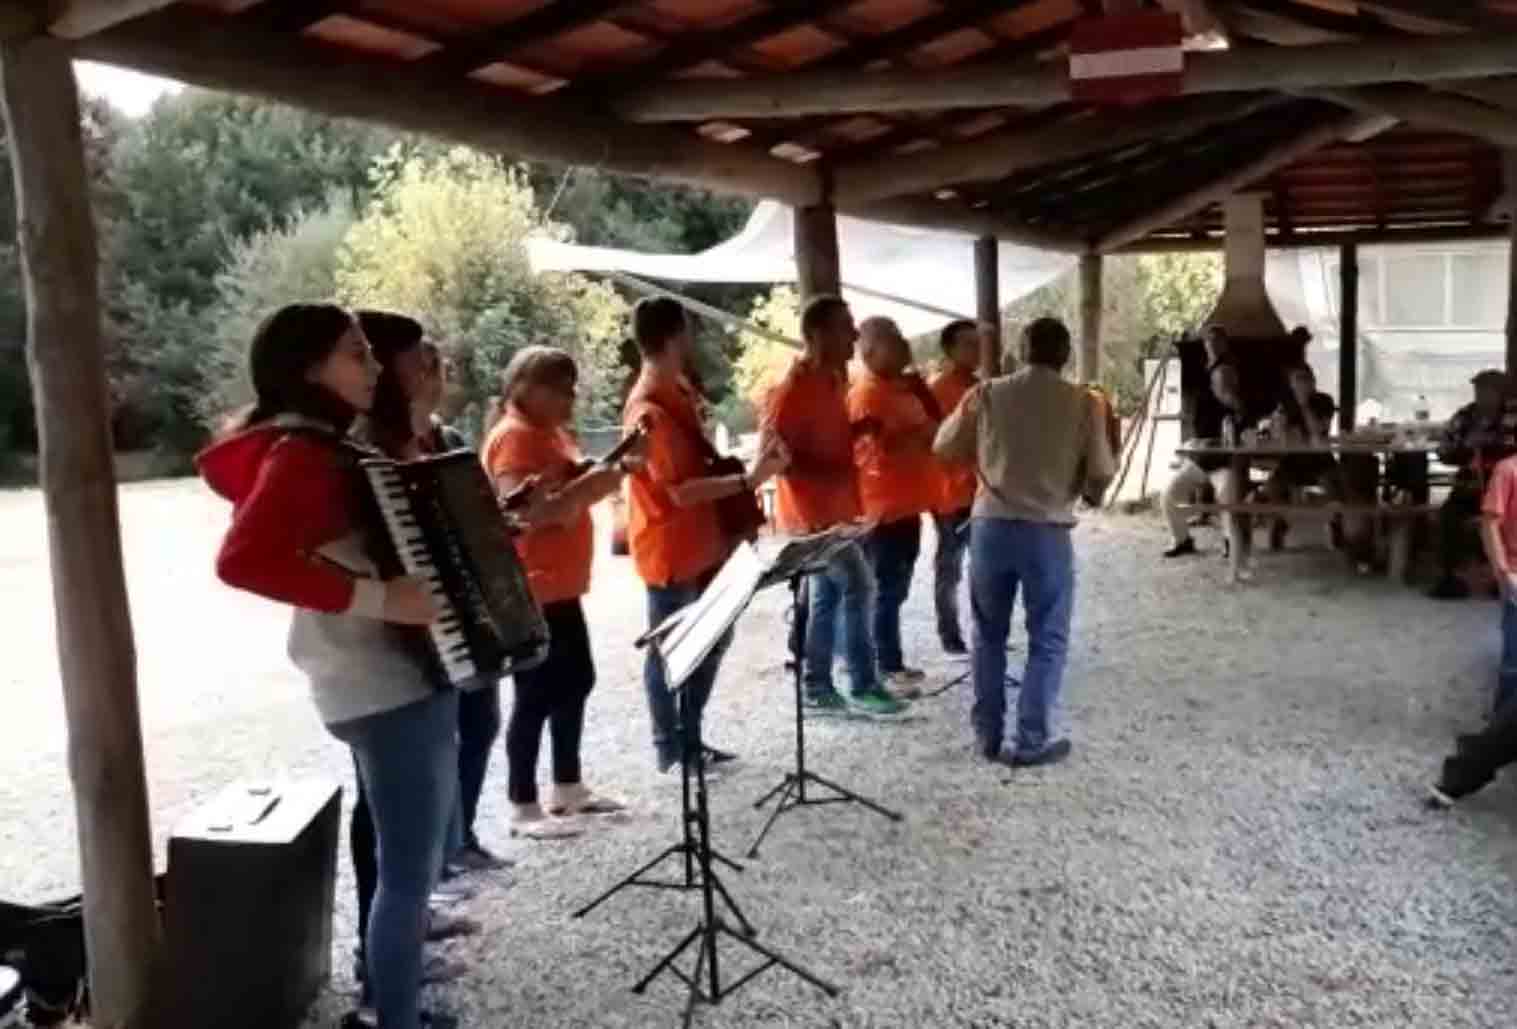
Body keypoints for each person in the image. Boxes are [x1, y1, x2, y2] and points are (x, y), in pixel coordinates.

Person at [197, 303, 454, 1029]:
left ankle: (392, 1003)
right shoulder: (303, 451)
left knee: (405, 866)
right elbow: (242, 560)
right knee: (408, 875)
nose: (374, 369)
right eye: (355, 355)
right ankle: (394, 1017)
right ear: (309, 368)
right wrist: (380, 596)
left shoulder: (325, 446)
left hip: (382, 680)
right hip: (382, 683)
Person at [934, 316, 1115, 768]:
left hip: (990, 525)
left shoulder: (987, 393)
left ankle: (988, 734)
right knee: (1047, 637)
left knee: (988, 633)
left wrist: (989, 455)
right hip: (1046, 530)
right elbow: (1101, 471)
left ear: (1021, 348)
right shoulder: (1083, 402)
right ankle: (1031, 739)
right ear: (1066, 353)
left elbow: (944, 445)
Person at [623, 297, 788, 774]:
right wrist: (748, 481)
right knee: (672, 648)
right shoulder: (648, 406)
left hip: (704, 543)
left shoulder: (675, 390)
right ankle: (671, 748)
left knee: (713, 639)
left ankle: (689, 736)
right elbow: (677, 491)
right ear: (679, 336)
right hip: (671, 547)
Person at [481, 346, 638, 835]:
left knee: (576, 680)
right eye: (563, 389)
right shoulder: (513, 438)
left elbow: (559, 485)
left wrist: (587, 473)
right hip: (534, 586)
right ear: (529, 388)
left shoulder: (550, 433)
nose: (572, 398)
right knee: (536, 693)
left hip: (562, 586)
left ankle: (567, 785)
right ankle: (523, 804)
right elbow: (525, 514)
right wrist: (594, 486)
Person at [761, 295, 906, 719]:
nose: (855, 336)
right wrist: (827, 469)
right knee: (861, 585)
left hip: (838, 509)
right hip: (813, 517)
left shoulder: (832, 382)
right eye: (846, 328)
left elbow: (828, 436)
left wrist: (856, 430)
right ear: (819, 335)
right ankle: (861, 684)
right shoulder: (791, 392)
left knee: (826, 598)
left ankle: (818, 685)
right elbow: (779, 459)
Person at [847, 316, 940, 698]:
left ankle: (891, 660)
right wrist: (919, 435)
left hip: (908, 506)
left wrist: (923, 399)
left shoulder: (901, 389)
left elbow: (937, 425)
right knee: (883, 590)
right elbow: (873, 452)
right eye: (893, 341)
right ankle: (884, 666)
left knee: (896, 590)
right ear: (869, 351)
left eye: (903, 338)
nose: (904, 347)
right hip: (881, 509)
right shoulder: (866, 395)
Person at [1428, 448, 1517, 806]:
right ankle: (1474, 758)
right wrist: (1502, 571)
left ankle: (1475, 756)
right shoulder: (1509, 471)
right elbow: (1491, 522)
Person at [1429, 370, 1517, 599]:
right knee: (1448, 516)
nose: (1482, 396)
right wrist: (1465, 452)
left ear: (1501, 393)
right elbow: (1443, 449)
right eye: (1479, 390)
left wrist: (1493, 449)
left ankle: (1505, 576)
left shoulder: (1513, 414)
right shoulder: (1466, 416)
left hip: (1507, 487)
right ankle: (1450, 577)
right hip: (1470, 485)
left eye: (1488, 391)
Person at [928, 319, 984, 656]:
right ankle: (950, 636)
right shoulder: (936, 391)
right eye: (968, 344)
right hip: (949, 494)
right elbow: (935, 443)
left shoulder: (982, 387)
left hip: (981, 492)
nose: (976, 351)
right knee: (949, 567)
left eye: (979, 344)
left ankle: (986, 633)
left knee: (985, 567)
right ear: (949, 350)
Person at [1161, 360, 1248, 561]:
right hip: (1202, 461)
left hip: (1226, 464)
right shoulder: (1205, 402)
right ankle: (1182, 540)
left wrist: (1237, 407)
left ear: (1234, 382)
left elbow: (1250, 435)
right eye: (1219, 383)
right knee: (1169, 493)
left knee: (1227, 495)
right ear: (1213, 384)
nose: (1223, 387)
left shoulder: (1243, 404)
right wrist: (1204, 443)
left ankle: (1229, 541)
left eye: (1228, 382)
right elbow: (1198, 435)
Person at [1263, 364, 1344, 551]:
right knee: (1272, 486)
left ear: (1313, 381)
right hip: (1293, 460)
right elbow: (1281, 437)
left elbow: (1319, 431)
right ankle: (1280, 521)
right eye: (1296, 380)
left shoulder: (1324, 400)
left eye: (1305, 379)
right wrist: (1277, 424)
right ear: (1291, 384)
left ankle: (1335, 523)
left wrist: (1305, 405)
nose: (1301, 383)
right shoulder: (1285, 404)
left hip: (1321, 459)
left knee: (1334, 485)